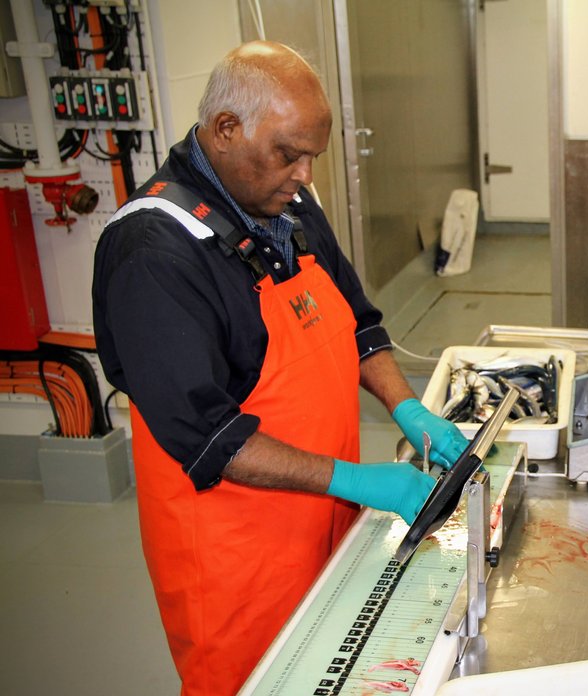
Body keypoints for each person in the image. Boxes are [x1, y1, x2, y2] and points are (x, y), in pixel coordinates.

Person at [92, 41, 470, 696]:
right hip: (237, 561)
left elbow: (359, 323)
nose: (303, 173)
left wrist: (407, 408)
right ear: (226, 130)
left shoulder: (286, 205)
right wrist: (360, 480)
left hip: (326, 521)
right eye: (289, 153)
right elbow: (211, 439)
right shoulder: (153, 251)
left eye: (312, 157)